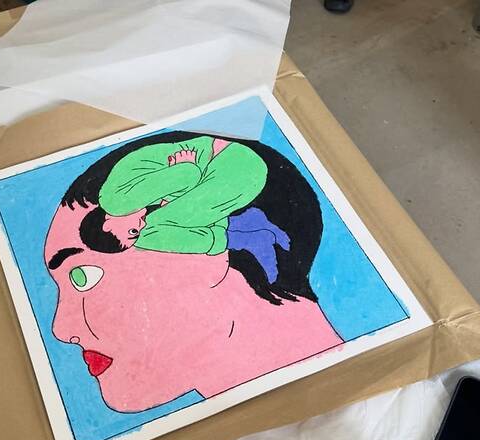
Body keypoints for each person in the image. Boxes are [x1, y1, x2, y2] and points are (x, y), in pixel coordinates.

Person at [44, 131, 343, 412]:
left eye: (83, 277)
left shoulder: (124, 200)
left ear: (202, 259)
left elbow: (187, 176)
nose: (61, 330)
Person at [93, 135, 291, 283]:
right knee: (149, 232)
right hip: (234, 171)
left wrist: (172, 196)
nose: (140, 226)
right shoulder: (117, 197)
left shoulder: (117, 203)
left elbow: (188, 173)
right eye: (135, 232)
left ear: (107, 224)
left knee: (149, 234)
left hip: (236, 168)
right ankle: (244, 225)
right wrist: (171, 199)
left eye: (131, 231)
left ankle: (244, 238)